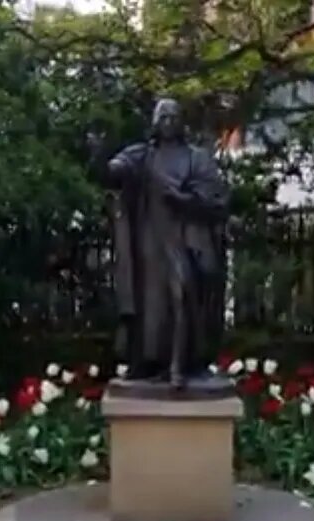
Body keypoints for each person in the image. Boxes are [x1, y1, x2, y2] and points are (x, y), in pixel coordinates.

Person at [102, 99, 230, 388]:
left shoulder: (196, 158)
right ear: (155, 122)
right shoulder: (143, 156)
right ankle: (153, 364)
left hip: (185, 238)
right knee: (152, 305)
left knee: (182, 294)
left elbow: (216, 198)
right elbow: (117, 170)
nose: (168, 122)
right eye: (163, 116)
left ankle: (182, 365)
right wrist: (108, 162)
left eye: (174, 116)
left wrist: (184, 200)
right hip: (149, 241)